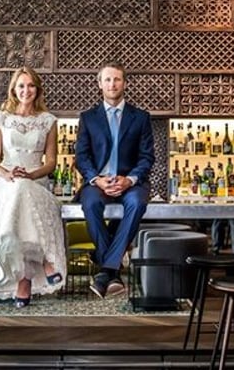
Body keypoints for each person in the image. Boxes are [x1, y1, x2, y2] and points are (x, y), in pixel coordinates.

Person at [0, 67, 67, 307]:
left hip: (36, 182)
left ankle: (24, 283)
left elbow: (51, 163)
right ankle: (44, 262)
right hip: (7, 182)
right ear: (13, 90)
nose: (26, 90)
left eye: (30, 86)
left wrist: (31, 175)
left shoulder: (48, 121)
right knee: (18, 191)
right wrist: (8, 174)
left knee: (24, 189)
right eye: (21, 86)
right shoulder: (1, 119)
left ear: (37, 90)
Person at [75, 62, 155, 298]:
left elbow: (147, 157)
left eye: (117, 79)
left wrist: (129, 180)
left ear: (124, 83)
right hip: (98, 183)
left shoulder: (141, 117)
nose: (112, 84)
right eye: (107, 79)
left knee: (137, 203)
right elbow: (82, 157)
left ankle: (106, 270)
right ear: (100, 84)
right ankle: (112, 268)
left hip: (131, 183)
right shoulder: (88, 118)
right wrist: (96, 179)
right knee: (90, 203)